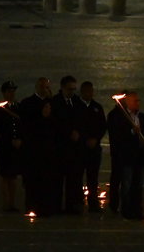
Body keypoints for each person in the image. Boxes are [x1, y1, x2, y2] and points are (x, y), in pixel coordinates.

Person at [108, 91, 144, 220]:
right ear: (127, 102)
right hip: (127, 156)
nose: (138, 103)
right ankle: (126, 210)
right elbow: (117, 135)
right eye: (135, 101)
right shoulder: (118, 116)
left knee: (138, 185)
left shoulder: (143, 117)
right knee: (126, 185)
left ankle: (137, 209)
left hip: (140, 156)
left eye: (138, 101)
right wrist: (132, 131)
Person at [51, 75, 86, 214]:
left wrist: (78, 132)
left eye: (73, 89)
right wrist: (69, 132)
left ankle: (72, 206)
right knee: (58, 179)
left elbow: (83, 120)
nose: (72, 92)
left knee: (74, 179)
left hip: (74, 149)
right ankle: (56, 206)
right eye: (69, 89)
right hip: (60, 147)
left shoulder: (77, 102)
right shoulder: (55, 102)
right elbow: (55, 123)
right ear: (62, 88)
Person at [23, 99, 58, 216]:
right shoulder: (35, 123)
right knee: (35, 184)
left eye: (49, 108)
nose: (47, 110)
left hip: (49, 158)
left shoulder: (53, 122)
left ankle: (47, 208)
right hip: (36, 158)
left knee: (47, 184)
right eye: (45, 108)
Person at [0, 81, 22, 212]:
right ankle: (6, 203)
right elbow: (0, 127)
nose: (12, 93)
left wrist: (19, 139)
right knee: (5, 176)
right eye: (9, 91)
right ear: (4, 93)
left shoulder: (18, 106)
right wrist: (11, 139)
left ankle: (12, 202)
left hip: (15, 146)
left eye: (13, 91)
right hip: (4, 146)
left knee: (13, 176)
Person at [79, 81, 106, 212]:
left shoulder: (97, 107)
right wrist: (84, 139)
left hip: (94, 148)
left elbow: (102, 126)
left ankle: (93, 203)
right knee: (77, 176)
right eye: (87, 91)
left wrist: (96, 138)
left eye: (91, 91)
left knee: (93, 177)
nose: (90, 93)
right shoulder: (76, 106)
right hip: (80, 148)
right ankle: (77, 202)